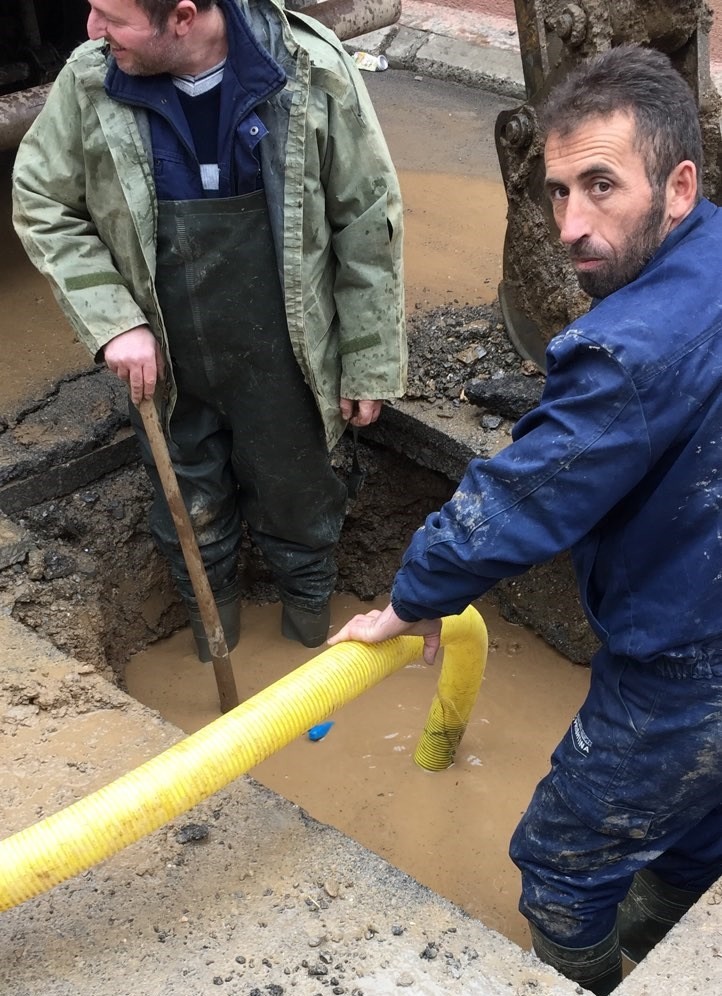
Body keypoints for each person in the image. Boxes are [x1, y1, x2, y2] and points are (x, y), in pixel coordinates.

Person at [329, 44, 722, 995]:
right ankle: (665, 923)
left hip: (684, 659)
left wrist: (411, 597)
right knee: (701, 817)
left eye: (600, 186)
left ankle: (589, 968)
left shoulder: (625, 349)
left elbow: (523, 496)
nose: (571, 226)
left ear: (678, 183)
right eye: (556, 193)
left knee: (557, 862)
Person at [12, 0, 406, 658]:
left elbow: (367, 220)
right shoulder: (90, 81)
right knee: (188, 514)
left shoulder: (308, 70)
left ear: (185, 17)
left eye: (112, 16)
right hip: (163, 358)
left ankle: (309, 640)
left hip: (287, 353)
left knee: (299, 500)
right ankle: (211, 640)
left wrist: (367, 360)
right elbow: (41, 199)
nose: (91, 31)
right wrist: (113, 321)